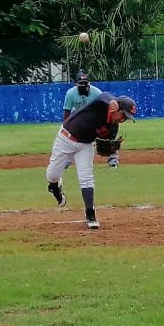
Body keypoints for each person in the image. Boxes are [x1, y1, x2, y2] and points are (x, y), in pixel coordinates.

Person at [47, 92, 136, 229]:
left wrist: (110, 151)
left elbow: (107, 144)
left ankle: (90, 213)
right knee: (52, 175)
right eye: (123, 115)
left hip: (85, 145)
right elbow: (104, 96)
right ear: (116, 108)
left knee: (86, 177)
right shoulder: (101, 105)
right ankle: (55, 186)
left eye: (126, 118)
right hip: (65, 139)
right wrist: (112, 101)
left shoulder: (112, 128)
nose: (123, 120)